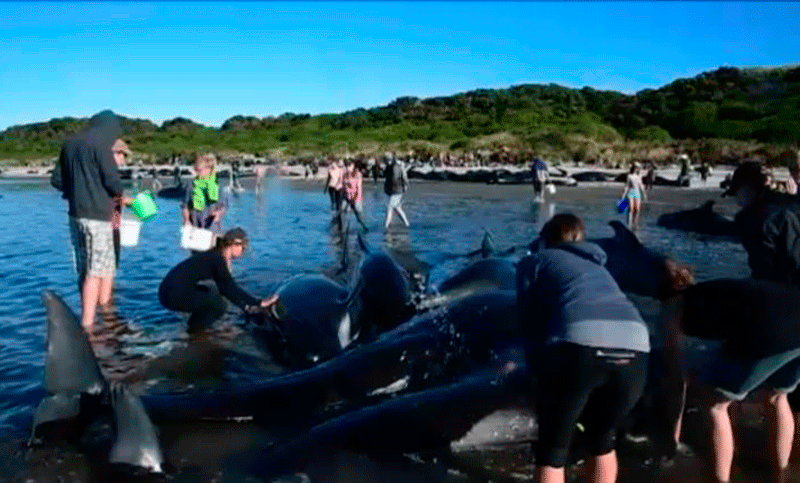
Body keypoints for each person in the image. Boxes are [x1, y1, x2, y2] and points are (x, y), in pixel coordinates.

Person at [517, 213, 650, 483]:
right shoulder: (601, 268)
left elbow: (528, 321)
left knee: (553, 450)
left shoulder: (535, 261)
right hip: (637, 347)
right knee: (602, 440)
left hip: (579, 345)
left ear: (545, 240)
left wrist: (534, 370)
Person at [662, 278, 800, 483]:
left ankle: (720, 479)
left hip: (768, 327)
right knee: (777, 396)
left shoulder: (677, 306)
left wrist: (672, 438)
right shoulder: (716, 290)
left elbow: (674, 370)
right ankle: (782, 472)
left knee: (715, 404)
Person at [50, 110, 132, 332]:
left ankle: (103, 311)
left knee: (87, 268)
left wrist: (78, 191)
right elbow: (113, 183)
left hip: (76, 215)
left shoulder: (69, 144)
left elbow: (57, 180)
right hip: (100, 217)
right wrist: (124, 198)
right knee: (97, 271)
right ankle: (88, 327)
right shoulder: (101, 145)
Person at [159, 228, 277, 333]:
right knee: (218, 305)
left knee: (213, 292)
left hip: (166, 290)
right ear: (234, 245)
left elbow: (226, 289)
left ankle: (193, 328)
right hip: (172, 295)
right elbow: (231, 288)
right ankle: (195, 333)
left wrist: (245, 307)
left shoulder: (215, 254)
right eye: (243, 247)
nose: (244, 250)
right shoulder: (217, 259)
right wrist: (258, 302)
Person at [723, 160, 800, 285]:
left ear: (745, 188)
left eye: (736, 192)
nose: (737, 200)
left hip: (781, 287)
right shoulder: (789, 205)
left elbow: (763, 266)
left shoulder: (753, 218)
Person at [182, 154, 227, 242]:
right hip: (195, 227)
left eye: (199, 170)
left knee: (213, 252)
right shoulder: (191, 185)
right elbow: (185, 206)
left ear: (208, 169)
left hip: (212, 227)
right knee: (196, 253)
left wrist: (218, 213)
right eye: (196, 170)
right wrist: (186, 220)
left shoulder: (217, 185)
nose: (196, 173)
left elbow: (223, 206)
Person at [383, 153, 410, 229]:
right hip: (392, 190)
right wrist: (386, 188)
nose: (387, 162)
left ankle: (386, 226)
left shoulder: (397, 166)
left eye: (389, 160)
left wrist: (405, 185)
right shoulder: (389, 167)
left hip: (398, 190)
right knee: (397, 208)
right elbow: (387, 179)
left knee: (390, 207)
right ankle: (407, 224)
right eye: (386, 160)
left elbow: (403, 176)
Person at [342, 159, 369, 232]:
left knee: (359, 215)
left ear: (353, 165)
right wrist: (344, 196)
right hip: (347, 197)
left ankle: (364, 227)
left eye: (349, 165)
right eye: (346, 165)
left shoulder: (357, 174)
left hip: (356, 198)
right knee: (342, 211)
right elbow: (344, 187)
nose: (348, 167)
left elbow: (359, 188)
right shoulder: (345, 175)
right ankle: (343, 229)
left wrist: (355, 198)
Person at [621, 163, 647, 230]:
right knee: (631, 209)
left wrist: (644, 194)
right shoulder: (629, 176)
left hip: (637, 193)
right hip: (631, 193)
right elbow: (627, 186)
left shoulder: (639, 176)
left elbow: (641, 185)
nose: (637, 169)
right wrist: (623, 195)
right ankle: (629, 223)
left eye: (638, 168)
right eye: (636, 167)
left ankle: (635, 223)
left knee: (637, 210)